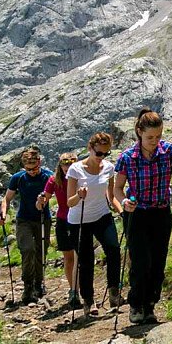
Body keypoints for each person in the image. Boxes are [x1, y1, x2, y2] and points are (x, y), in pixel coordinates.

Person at [112, 109, 172, 325]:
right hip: (137, 214)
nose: (155, 141)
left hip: (161, 213)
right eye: (150, 137)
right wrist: (124, 202)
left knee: (158, 261)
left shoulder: (168, 150)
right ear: (139, 132)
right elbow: (117, 189)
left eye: (158, 136)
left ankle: (150, 305)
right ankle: (136, 304)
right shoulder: (127, 157)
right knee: (141, 261)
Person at [66, 131, 123, 316]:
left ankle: (114, 292)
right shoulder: (75, 169)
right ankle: (89, 301)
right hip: (78, 220)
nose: (101, 158)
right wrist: (79, 195)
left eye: (105, 154)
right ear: (90, 149)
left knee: (114, 249)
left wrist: (122, 211)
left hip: (102, 215)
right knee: (86, 260)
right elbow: (69, 202)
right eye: (98, 153)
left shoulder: (109, 168)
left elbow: (111, 195)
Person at [0, 147, 52, 305]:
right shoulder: (18, 178)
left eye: (34, 168)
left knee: (40, 251)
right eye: (28, 169)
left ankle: (38, 284)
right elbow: (7, 199)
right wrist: (3, 213)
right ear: (23, 166)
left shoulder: (48, 177)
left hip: (43, 218)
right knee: (28, 250)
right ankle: (28, 286)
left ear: (39, 163)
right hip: (24, 220)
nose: (32, 172)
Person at [40, 152, 79, 309]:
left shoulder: (81, 177)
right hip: (63, 220)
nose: (67, 167)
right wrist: (41, 200)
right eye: (65, 164)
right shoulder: (54, 180)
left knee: (79, 256)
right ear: (60, 165)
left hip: (80, 219)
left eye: (70, 164)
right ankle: (73, 290)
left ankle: (80, 290)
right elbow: (45, 198)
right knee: (68, 257)